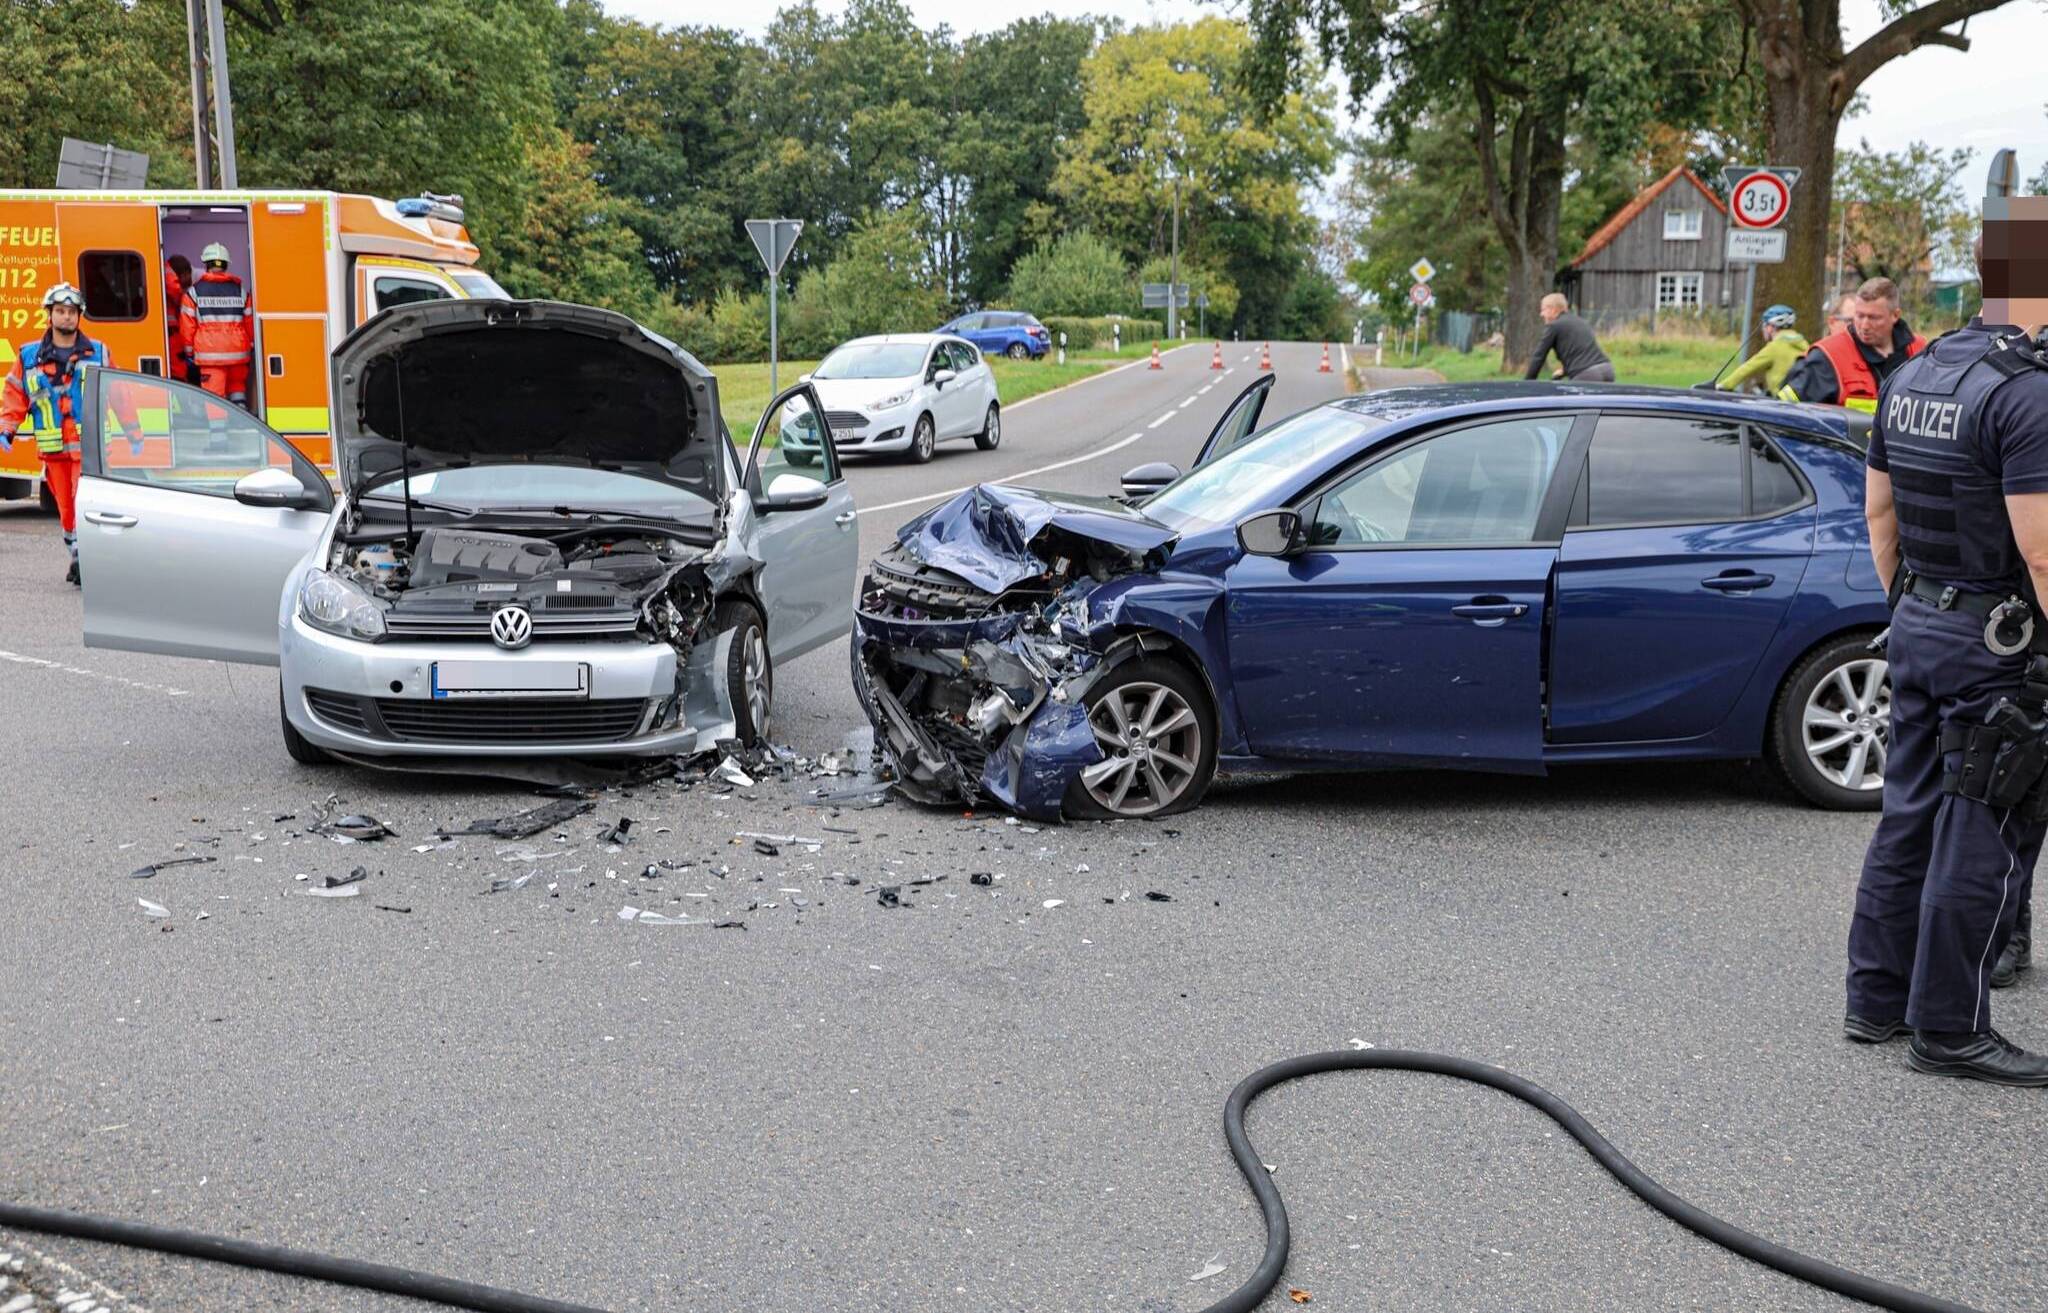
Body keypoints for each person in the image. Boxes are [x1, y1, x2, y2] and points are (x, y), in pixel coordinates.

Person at [1844, 233, 2048, 1085]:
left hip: (1922, 622)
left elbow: (1881, 517)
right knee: (1985, 833)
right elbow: (2042, 555)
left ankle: (1876, 1001)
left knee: (1909, 814)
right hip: (1997, 647)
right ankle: (1951, 1028)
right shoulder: (2029, 395)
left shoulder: (1914, 375)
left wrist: (1916, 607)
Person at [0, 284, 142, 585]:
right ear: (50, 315)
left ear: (79, 316)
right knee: (66, 509)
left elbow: (118, 395)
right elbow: (15, 394)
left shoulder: (99, 353)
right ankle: (76, 552)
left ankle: (84, 557)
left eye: (71, 312)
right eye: (61, 312)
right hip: (53, 452)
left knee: (83, 502)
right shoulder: (29, 357)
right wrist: (7, 429)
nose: (66, 317)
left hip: (89, 449)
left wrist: (134, 432)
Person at [1778, 277, 1925, 410]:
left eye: (1874, 318)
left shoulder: (1921, 351)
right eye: (1859, 316)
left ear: (1895, 315)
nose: (1864, 325)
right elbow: (1783, 412)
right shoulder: (1828, 356)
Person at [178, 242, 253, 408]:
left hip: (209, 356)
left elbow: (187, 326)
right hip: (238, 354)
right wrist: (250, 344)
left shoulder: (193, 293)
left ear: (206, 265)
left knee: (215, 398)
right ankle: (241, 423)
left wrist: (189, 352)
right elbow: (249, 322)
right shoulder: (240, 291)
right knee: (237, 389)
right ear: (226, 265)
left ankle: (218, 433)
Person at [1718, 304, 1809, 394]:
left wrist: (1723, 385)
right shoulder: (1804, 345)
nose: (1763, 329)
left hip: (1781, 403)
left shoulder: (1775, 347)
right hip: (1803, 402)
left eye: (1764, 325)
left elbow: (1748, 368)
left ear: (1770, 327)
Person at [1523, 293, 1614, 381]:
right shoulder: (1580, 321)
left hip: (1587, 374)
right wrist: (1564, 371)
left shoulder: (1554, 326)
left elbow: (1539, 356)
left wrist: (1528, 382)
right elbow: (1580, 352)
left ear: (1553, 310)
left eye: (1543, 310)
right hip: (1606, 369)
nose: (1541, 314)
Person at [164, 254, 196, 384]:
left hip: (172, 335)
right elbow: (178, 294)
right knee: (179, 374)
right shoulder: (172, 284)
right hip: (172, 336)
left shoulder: (166, 276)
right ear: (183, 274)